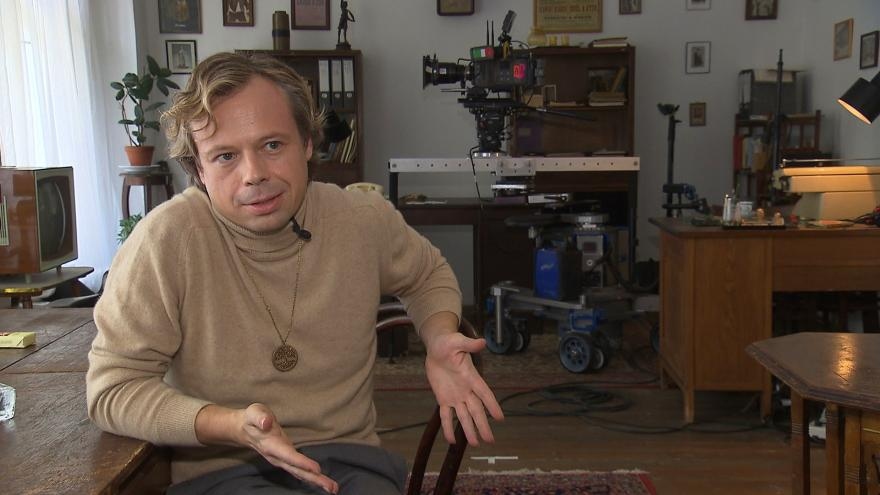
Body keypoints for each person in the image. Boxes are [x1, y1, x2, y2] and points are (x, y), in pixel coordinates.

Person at [86, 52, 503, 495]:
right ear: (198, 170)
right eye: (225, 156)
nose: (254, 175)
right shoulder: (165, 241)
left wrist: (438, 337)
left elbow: (427, 274)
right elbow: (113, 389)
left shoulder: (361, 220)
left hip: (351, 464)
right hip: (223, 472)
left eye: (272, 145)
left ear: (306, 143)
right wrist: (231, 425)